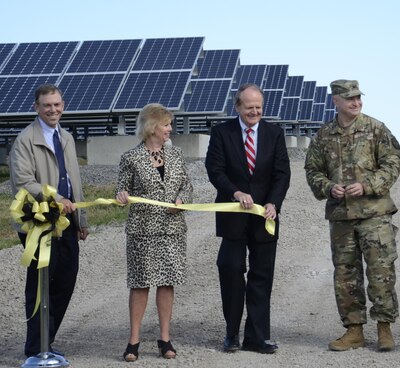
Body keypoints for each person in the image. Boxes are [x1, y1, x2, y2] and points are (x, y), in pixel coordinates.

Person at [304, 79, 400, 352]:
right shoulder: (324, 136)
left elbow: (393, 163)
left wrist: (368, 185)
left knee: (381, 271)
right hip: (341, 217)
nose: (356, 102)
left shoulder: (375, 129)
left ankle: (384, 328)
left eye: (358, 97)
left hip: (375, 215)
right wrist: (327, 187)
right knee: (346, 275)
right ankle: (354, 329)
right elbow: (312, 170)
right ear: (336, 101)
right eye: (350, 98)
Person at [205, 83, 291, 354]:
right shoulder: (222, 133)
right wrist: (235, 192)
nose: (255, 111)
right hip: (233, 215)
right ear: (238, 106)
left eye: (259, 107)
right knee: (230, 269)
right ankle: (231, 333)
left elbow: (282, 174)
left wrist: (273, 202)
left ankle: (257, 337)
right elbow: (215, 170)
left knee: (261, 276)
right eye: (249, 106)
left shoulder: (274, 133)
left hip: (265, 216)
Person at [9, 83, 89, 358]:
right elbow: (23, 182)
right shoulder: (25, 140)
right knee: (41, 285)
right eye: (46, 105)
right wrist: (54, 198)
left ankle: (47, 339)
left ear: (62, 105)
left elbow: (74, 181)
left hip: (67, 222)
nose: (52, 109)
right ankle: (37, 348)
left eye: (56, 104)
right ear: (37, 108)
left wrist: (82, 220)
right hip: (39, 223)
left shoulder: (66, 137)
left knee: (65, 281)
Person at [115, 103, 194, 362]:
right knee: (139, 284)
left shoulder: (177, 155)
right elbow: (121, 190)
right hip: (142, 231)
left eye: (170, 124)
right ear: (152, 127)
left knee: (166, 282)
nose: (170, 129)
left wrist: (181, 201)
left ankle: (164, 338)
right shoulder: (131, 158)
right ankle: (133, 341)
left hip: (172, 230)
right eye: (166, 124)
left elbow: (187, 186)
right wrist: (122, 196)